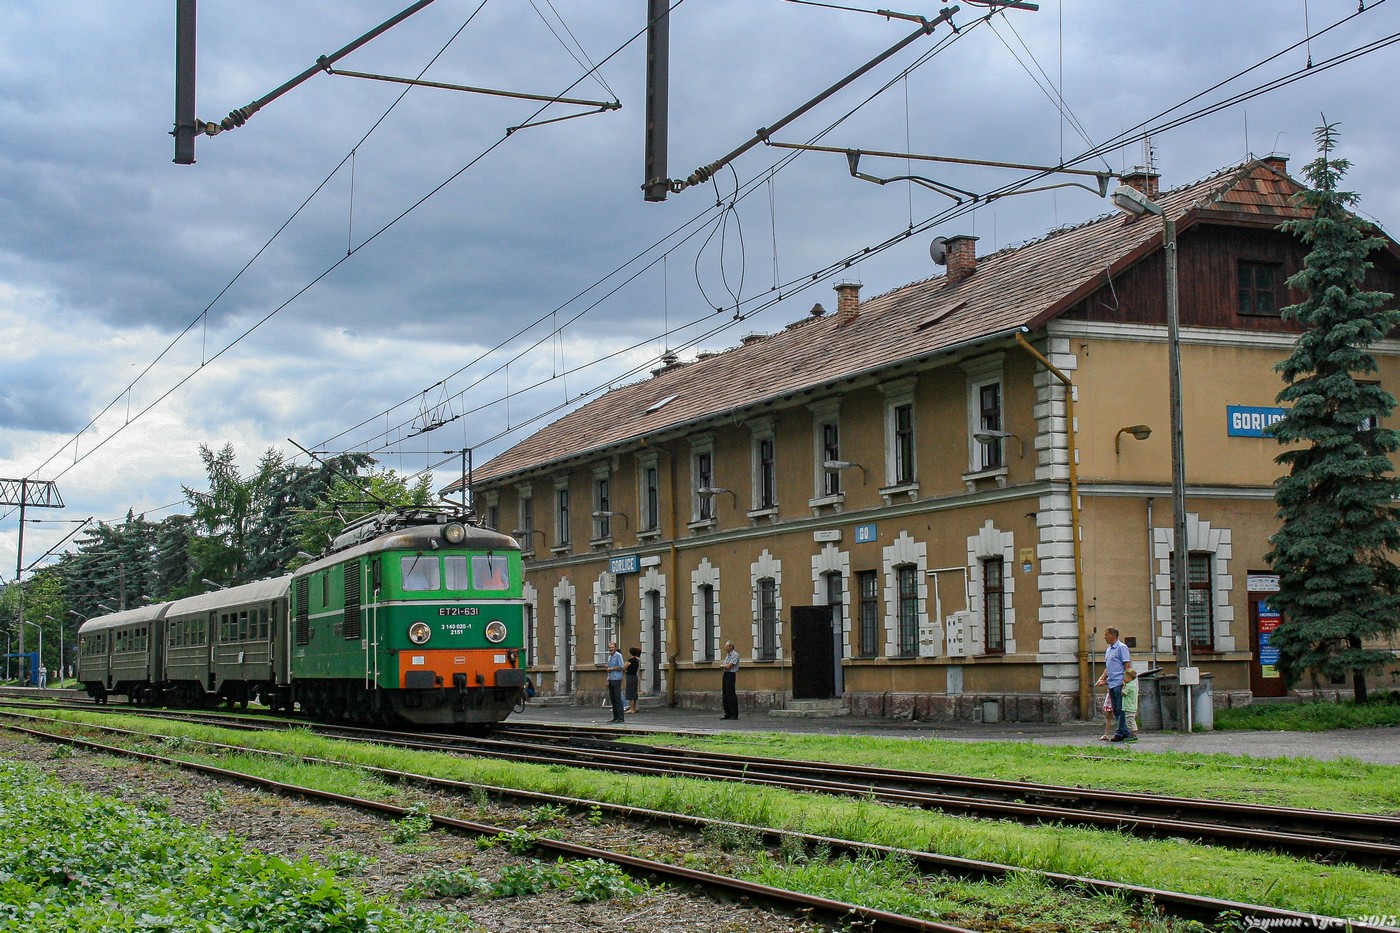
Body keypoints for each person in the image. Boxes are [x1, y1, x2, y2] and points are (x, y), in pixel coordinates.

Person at [1093, 627, 1135, 742]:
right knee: (1116, 709)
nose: (1104, 637)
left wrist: (1125, 680)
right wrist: (1102, 678)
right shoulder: (1109, 649)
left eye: (1106, 634)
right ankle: (1125, 732)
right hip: (1111, 683)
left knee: (1120, 708)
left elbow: (1127, 664)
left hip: (1119, 682)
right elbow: (1109, 667)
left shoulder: (1121, 647)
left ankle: (1120, 732)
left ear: (1112, 635)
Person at [605, 641, 625, 724]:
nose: (611, 649)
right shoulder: (609, 657)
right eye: (609, 648)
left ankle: (621, 717)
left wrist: (612, 668)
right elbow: (609, 670)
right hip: (611, 679)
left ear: (615, 648)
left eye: (612, 647)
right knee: (612, 699)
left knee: (617, 698)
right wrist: (607, 679)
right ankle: (615, 717)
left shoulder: (618, 656)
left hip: (617, 679)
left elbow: (621, 666)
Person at [720, 640, 740, 720]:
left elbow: (729, 666)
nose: (725, 648)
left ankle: (734, 714)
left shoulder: (735, 655)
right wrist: (724, 666)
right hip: (726, 674)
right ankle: (727, 713)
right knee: (725, 694)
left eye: (726, 646)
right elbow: (725, 665)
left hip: (731, 675)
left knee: (731, 694)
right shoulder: (728, 655)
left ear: (731, 647)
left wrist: (723, 666)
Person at [1122, 668, 1140, 737]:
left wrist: (1123, 686)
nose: (1123, 678)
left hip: (1128, 707)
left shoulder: (1129, 685)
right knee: (1131, 720)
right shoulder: (1134, 685)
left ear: (1129, 678)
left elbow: (1123, 693)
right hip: (1132, 706)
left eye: (1124, 677)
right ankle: (1132, 733)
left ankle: (1133, 734)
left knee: (1129, 721)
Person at [624, 647, 641, 714]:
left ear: (630, 653)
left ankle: (632, 708)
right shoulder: (636, 660)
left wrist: (625, 670)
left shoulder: (630, 660)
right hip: (635, 676)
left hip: (630, 677)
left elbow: (624, 667)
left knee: (630, 692)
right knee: (634, 691)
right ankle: (634, 707)